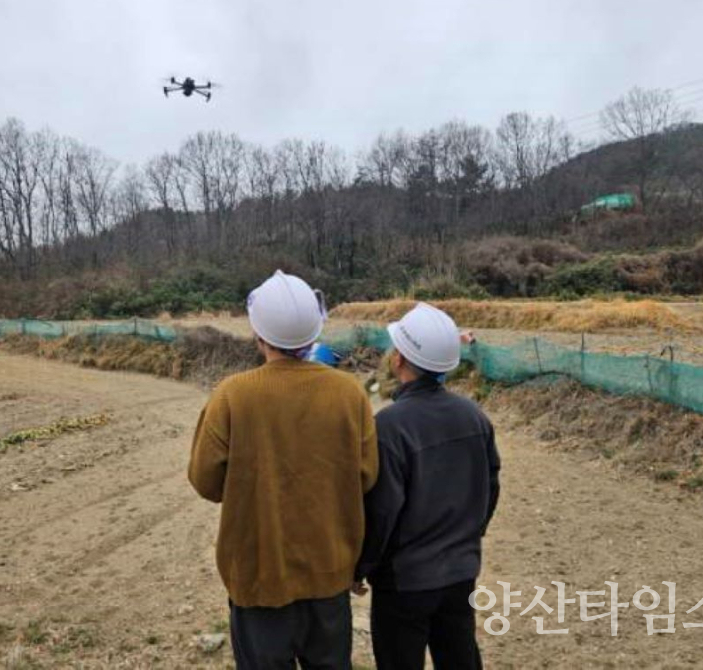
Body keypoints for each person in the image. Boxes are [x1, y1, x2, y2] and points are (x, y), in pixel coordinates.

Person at [188, 270, 379, 669]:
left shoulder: (232, 395)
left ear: (259, 335)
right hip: (329, 573)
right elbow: (366, 476)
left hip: (258, 578)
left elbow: (206, 481)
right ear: (314, 333)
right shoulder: (350, 393)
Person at [354, 302, 500, 670]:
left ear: (399, 359)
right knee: (460, 655)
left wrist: (360, 566)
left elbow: (382, 510)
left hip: (404, 581)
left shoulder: (390, 426)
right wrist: (469, 537)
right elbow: (490, 488)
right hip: (460, 570)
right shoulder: (474, 416)